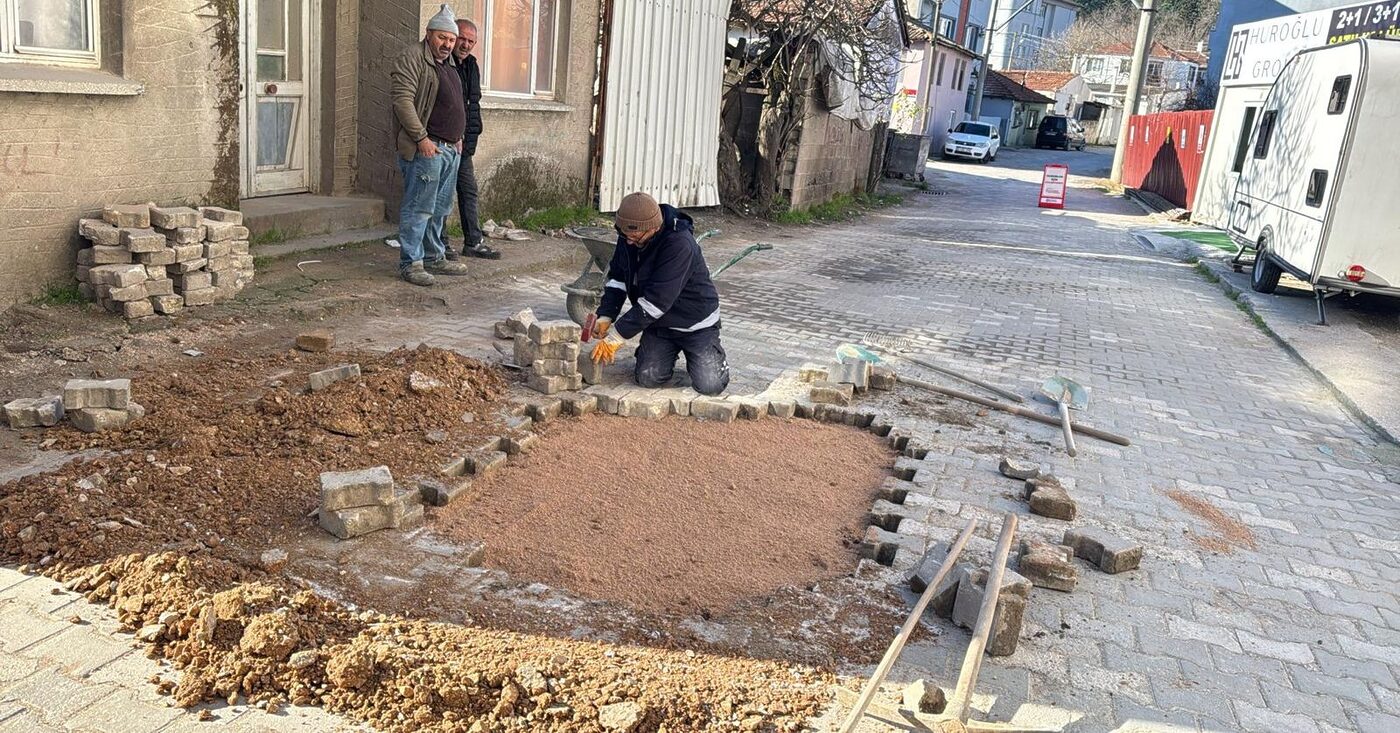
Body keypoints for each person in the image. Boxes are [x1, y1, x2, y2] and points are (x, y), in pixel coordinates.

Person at [590, 192, 730, 396]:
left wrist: (616, 336)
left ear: (654, 228)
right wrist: (606, 315)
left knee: (710, 385)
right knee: (648, 378)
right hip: (660, 326)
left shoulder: (679, 244)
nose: (629, 242)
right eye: (625, 236)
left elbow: (656, 302)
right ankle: (669, 354)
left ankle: (704, 360)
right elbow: (618, 278)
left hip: (696, 325)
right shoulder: (629, 236)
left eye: (635, 237)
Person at [389, 4, 470, 286]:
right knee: (419, 207)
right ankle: (410, 263)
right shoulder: (412, 57)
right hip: (427, 148)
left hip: (449, 148)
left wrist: (457, 137)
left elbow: (453, 103)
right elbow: (402, 101)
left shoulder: (448, 65)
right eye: (442, 38)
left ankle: (434, 256)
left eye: (451, 39)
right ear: (428, 34)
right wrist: (422, 139)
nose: (447, 44)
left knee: (440, 207)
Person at [445, 17, 499, 261]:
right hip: (443, 141)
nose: (465, 45)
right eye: (462, 39)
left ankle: (473, 242)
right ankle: (441, 245)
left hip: (464, 144)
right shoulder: (443, 63)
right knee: (442, 196)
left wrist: (472, 136)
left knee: (468, 191)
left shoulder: (472, 65)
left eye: (471, 41)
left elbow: (472, 105)